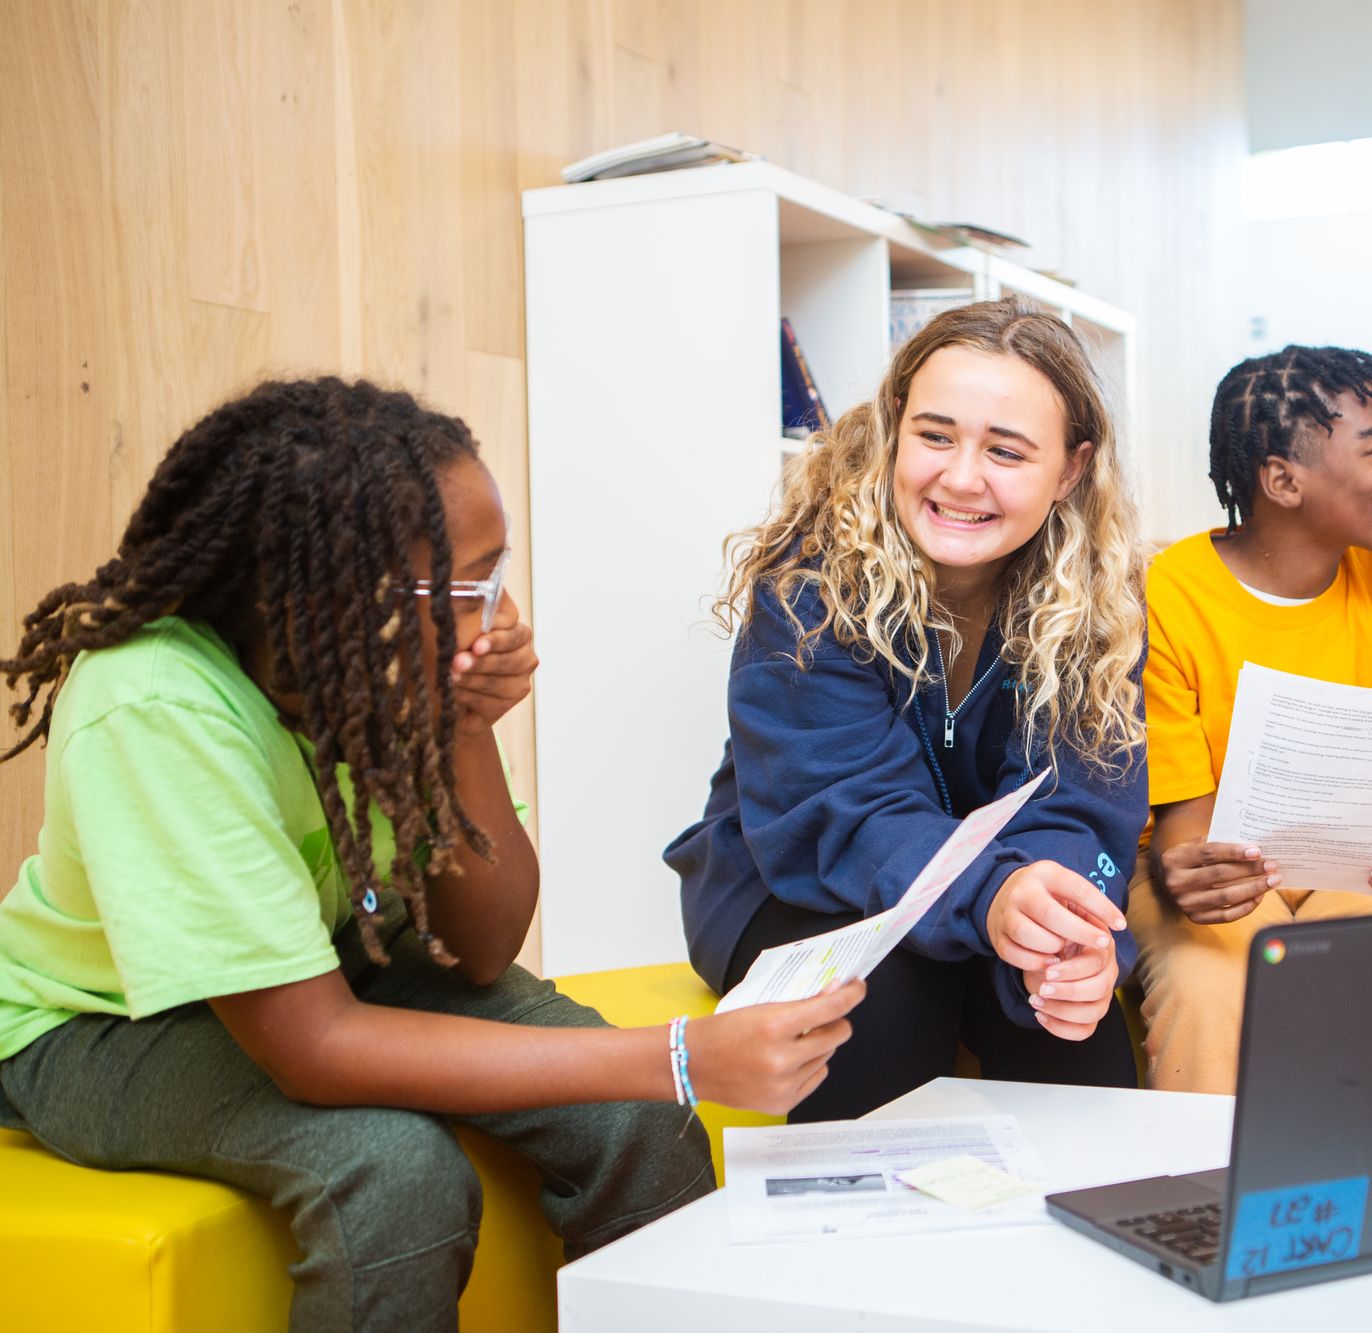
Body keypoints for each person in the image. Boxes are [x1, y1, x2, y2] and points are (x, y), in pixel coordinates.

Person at [0, 378, 862, 1333]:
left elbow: (485, 943)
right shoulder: (155, 705)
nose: (499, 617)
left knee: (637, 1119)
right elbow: (314, 1048)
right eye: (470, 586)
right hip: (103, 1024)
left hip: (331, 962)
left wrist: (461, 724)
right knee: (395, 1174)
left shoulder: (367, 663)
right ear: (334, 591)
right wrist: (678, 1054)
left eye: (499, 577)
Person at [669, 299, 1150, 1121]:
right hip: (801, 881)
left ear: (1070, 470)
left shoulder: (1099, 608)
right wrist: (997, 898)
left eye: (1006, 450)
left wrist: (1061, 937)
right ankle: (842, 1246)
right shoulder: (806, 589)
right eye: (935, 435)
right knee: (885, 994)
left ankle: (1080, 1241)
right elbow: (851, 814)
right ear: (894, 428)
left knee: (1068, 1023)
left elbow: (1080, 805)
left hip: (986, 885)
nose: (962, 477)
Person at [1128, 345, 1372, 1093]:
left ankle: (1367, 1195)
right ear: (1284, 480)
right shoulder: (1169, 594)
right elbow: (1186, 838)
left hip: (1354, 870)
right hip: (1207, 875)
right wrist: (1198, 878)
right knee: (1212, 988)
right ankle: (1200, 1201)